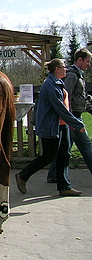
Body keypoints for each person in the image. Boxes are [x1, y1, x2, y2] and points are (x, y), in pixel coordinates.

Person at [15, 59, 85, 196]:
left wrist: (69, 123)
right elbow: (59, 108)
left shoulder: (59, 83)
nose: (66, 69)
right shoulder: (50, 85)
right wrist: (76, 123)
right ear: (56, 69)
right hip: (51, 127)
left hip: (62, 125)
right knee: (49, 156)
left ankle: (64, 186)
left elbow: (65, 106)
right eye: (63, 67)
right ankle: (22, 176)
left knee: (64, 155)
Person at [47, 48, 92, 182]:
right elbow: (66, 98)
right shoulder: (72, 76)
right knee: (86, 147)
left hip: (73, 117)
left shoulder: (79, 75)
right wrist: (71, 120)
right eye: (87, 61)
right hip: (73, 118)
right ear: (80, 60)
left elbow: (81, 97)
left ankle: (54, 174)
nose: (89, 64)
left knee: (64, 150)